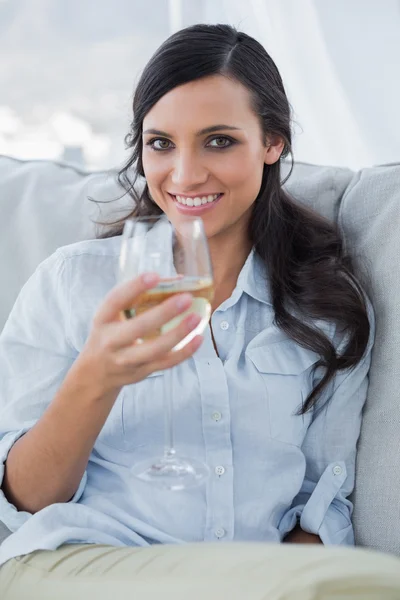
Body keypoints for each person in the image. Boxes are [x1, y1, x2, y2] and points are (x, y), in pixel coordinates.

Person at [2, 22, 399, 600]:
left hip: (242, 578)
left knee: (369, 585)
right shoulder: (74, 282)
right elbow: (26, 499)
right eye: (161, 143)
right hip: (77, 564)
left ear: (273, 142)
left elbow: (321, 502)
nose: (185, 174)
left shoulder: (325, 309)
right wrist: (99, 375)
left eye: (218, 140)